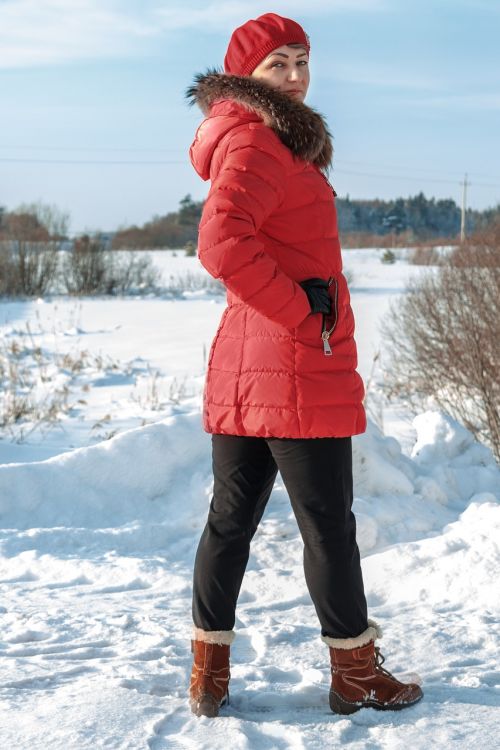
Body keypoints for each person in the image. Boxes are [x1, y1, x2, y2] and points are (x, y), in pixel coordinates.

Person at [186, 12, 423, 718]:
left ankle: (209, 675)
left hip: (246, 366)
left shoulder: (260, 138)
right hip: (290, 364)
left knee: (230, 522)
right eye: (277, 65)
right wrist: (302, 311)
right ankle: (355, 673)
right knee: (327, 525)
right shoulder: (259, 142)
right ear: (246, 78)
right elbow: (220, 243)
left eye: (301, 61)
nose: (294, 76)